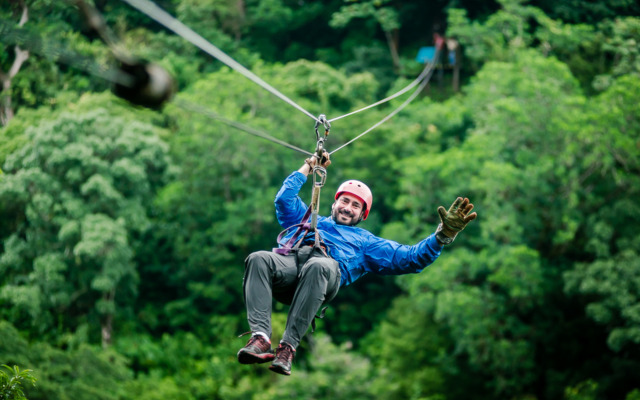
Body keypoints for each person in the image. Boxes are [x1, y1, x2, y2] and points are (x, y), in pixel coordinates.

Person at [237, 151, 477, 376]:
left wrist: (443, 235)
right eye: (345, 201)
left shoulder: (366, 243)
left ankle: (288, 347)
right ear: (334, 203)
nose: (347, 208)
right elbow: (284, 199)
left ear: (362, 214)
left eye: (355, 206)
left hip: (323, 276)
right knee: (258, 258)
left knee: (319, 266)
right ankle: (260, 337)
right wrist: (309, 166)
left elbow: (412, 258)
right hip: (289, 269)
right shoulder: (310, 218)